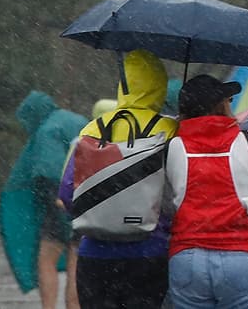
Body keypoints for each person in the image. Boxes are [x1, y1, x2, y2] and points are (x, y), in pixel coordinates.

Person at [59, 49, 179, 309]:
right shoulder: (170, 130)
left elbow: (68, 193)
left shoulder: (94, 129)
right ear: (159, 84)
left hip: (94, 256)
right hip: (149, 253)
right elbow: (181, 191)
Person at [164, 75, 248, 309]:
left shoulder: (173, 146)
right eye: (228, 99)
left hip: (188, 259)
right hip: (241, 259)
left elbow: (168, 205)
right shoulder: (247, 141)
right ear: (221, 105)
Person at [2, 91, 86, 309]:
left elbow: (49, 172)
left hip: (60, 200)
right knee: (76, 259)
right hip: (87, 199)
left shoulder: (47, 130)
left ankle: (49, 307)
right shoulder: (76, 119)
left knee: (46, 257)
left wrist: (56, 204)